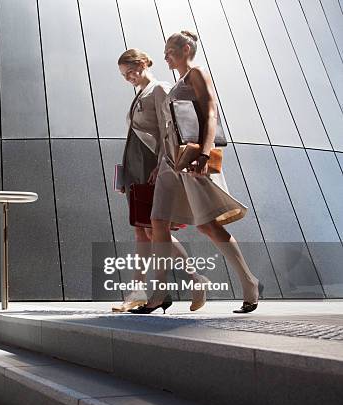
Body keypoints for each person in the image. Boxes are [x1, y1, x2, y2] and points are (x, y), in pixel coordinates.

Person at [136, 31, 262, 314]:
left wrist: (205, 154)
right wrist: (160, 164)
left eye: (170, 50)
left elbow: (210, 113)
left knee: (207, 224)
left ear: (185, 48)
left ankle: (249, 282)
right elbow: (170, 128)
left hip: (193, 159)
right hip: (171, 162)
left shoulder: (197, 73)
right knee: (157, 221)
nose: (165, 55)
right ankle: (157, 294)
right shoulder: (177, 83)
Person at [112, 49, 209, 313]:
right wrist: (124, 175)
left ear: (143, 63)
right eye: (124, 74)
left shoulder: (159, 89)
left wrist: (163, 164)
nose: (129, 77)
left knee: (155, 230)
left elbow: (171, 129)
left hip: (154, 168)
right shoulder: (140, 94)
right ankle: (139, 291)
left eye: (131, 70)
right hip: (137, 170)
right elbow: (135, 137)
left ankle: (193, 279)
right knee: (142, 231)